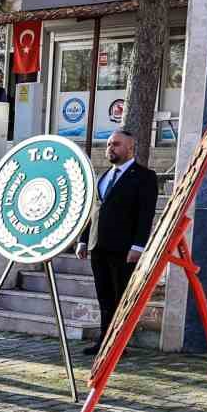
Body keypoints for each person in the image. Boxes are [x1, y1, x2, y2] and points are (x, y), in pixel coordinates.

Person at [75, 127, 158, 355]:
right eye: (109, 144)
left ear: (130, 148)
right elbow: (94, 210)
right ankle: (104, 342)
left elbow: (145, 215)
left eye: (116, 144)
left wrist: (138, 246)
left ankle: (118, 345)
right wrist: (83, 240)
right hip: (98, 247)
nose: (110, 148)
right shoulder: (104, 176)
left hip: (124, 249)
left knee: (121, 296)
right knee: (104, 296)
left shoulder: (144, 177)